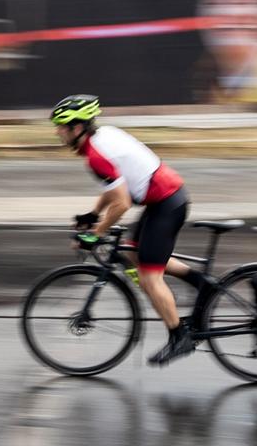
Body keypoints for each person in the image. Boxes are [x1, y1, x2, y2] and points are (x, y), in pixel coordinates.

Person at [50, 95, 205, 367]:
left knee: (149, 278)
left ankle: (180, 337)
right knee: (135, 254)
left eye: (62, 127)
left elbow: (121, 202)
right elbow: (114, 189)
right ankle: (201, 284)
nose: (57, 132)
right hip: (164, 199)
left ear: (77, 128)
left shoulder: (96, 156)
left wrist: (95, 233)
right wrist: (94, 214)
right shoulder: (101, 136)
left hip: (166, 204)